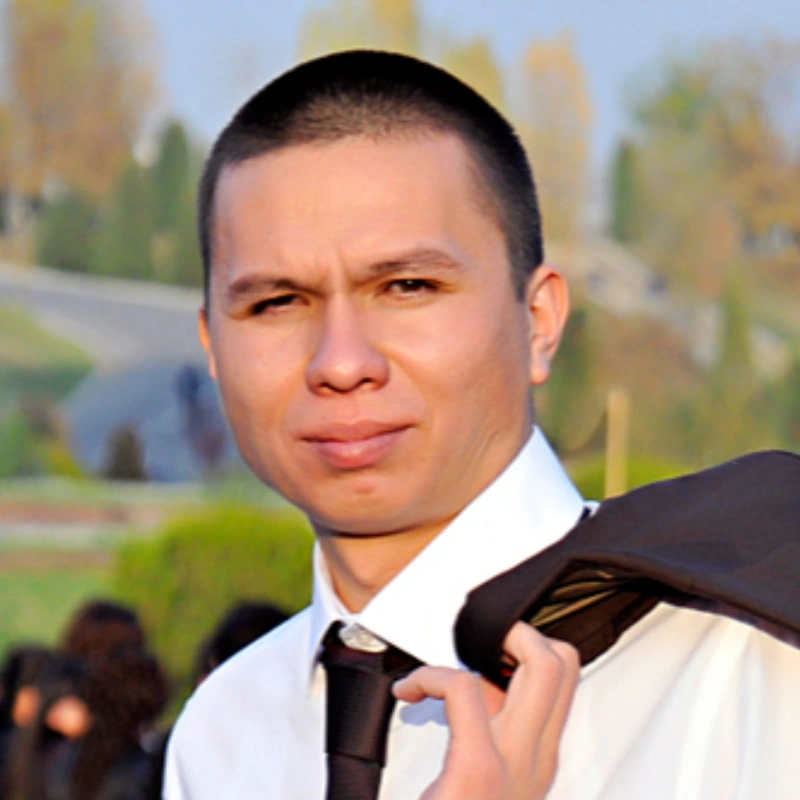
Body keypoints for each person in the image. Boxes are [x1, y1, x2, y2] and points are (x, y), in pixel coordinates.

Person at [164, 49, 800, 799]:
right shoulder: (223, 730)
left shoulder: (754, 665)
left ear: (538, 321)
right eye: (275, 302)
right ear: (212, 344)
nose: (340, 362)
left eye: (407, 286)